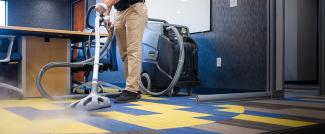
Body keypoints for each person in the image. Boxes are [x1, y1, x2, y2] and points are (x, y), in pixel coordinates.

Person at [96, 0, 148, 103]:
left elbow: (107, 3)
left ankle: (131, 90)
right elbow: (106, 2)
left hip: (134, 8)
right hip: (119, 12)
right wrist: (106, 16)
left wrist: (105, 5)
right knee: (124, 53)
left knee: (133, 50)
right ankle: (133, 89)